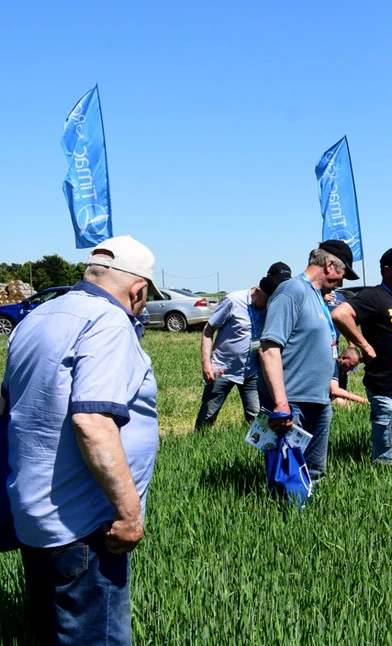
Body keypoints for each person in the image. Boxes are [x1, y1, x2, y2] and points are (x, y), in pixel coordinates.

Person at [1, 235, 160, 644]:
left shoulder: (35, 317)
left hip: (34, 513)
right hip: (86, 524)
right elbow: (92, 420)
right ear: (138, 290)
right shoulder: (108, 322)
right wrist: (128, 515)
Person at [258, 240, 358, 483]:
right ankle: (284, 518)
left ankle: (309, 517)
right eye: (343, 273)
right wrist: (281, 403)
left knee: (314, 473)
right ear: (330, 265)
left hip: (318, 400)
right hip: (293, 403)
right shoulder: (292, 291)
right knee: (287, 476)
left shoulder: (316, 296)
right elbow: (269, 348)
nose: (343, 281)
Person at [332, 247, 392, 465]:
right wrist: (363, 346)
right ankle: (383, 489)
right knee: (385, 459)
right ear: (387, 270)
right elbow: (340, 314)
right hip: (387, 389)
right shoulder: (373, 295)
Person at [194, 262, 292, 430]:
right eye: (266, 300)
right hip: (223, 369)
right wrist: (206, 364)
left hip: (252, 371)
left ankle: (252, 449)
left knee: (255, 416)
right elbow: (208, 330)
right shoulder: (233, 301)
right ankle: (196, 445)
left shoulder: (272, 307)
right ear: (258, 290)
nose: (267, 304)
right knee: (208, 414)